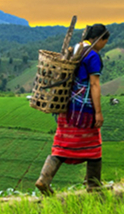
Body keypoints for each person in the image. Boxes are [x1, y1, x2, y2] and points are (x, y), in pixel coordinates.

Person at [36, 24, 108, 194]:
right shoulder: (92, 56)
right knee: (93, 145)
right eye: (105, 41)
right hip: (83, 109)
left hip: (66, 107)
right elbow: (94, 84)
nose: (104, 45)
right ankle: (93, 184)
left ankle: (44, 179)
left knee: (62, 143)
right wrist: (98, 112)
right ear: (100, 38)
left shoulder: (75, 48)